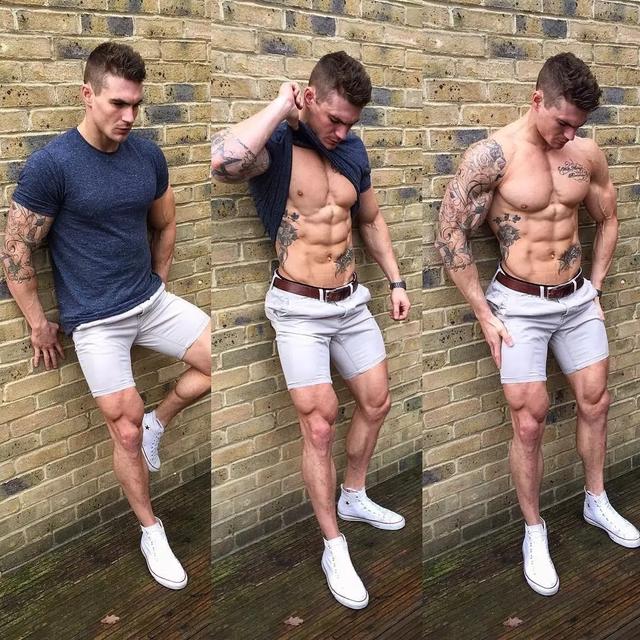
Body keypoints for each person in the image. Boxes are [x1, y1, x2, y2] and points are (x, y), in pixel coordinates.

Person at [1, 42, 210, 590]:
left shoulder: (147, 156)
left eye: (136, 105)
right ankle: (151, 530)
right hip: (95, 321)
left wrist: (159, 279)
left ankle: (161, 420)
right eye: (118, 103)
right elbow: (15, 249)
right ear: (87, 95)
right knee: (124, 428)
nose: (129, 116)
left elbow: (165, 223)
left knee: (222, 361)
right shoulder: (52, 166)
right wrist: (38, 322)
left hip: (150, 302)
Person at [211, 51, 411, 609]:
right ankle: (333, 545)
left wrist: (395, 281)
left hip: (352, 303)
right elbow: (222, 163)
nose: (342, 131)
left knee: (376, 401)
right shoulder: (277, 145)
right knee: (320, 427)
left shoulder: (352, 151)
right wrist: (281, 107)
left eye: (351, 122)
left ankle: (353, 495)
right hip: (298, 310)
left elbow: (370, 218)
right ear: (309, 96)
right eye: (334, 119)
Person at [436, 52, 640, 596]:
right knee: (529, 422)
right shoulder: (491, 157)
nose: (569, 134)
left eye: (578, 125)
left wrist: (596, 287)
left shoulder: (586, 154)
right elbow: (450, 234)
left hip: (577, 300)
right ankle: (534, 530)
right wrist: (484, 313)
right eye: (563, 122)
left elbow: (608, 218)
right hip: (518, 306)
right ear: (537, 101)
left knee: (596, 401)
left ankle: (596, 501)